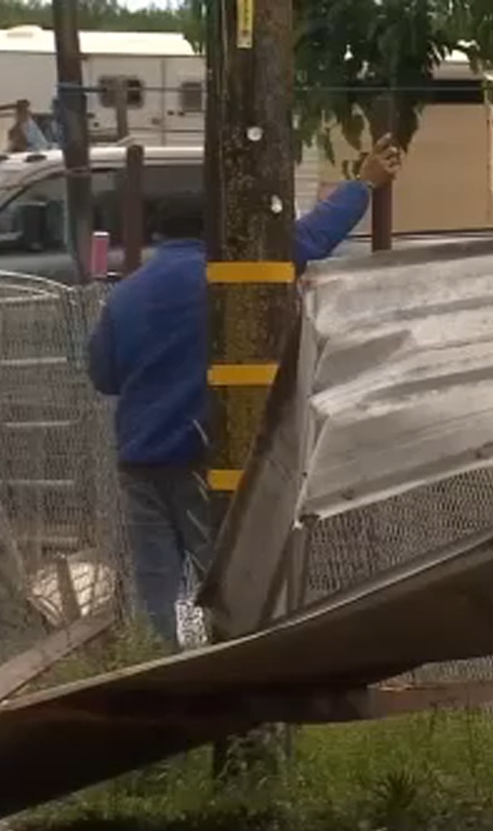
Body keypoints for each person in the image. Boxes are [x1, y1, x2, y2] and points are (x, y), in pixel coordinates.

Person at [86, 135, 403, 648]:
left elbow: (102, 375)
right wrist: (364, 183)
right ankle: (229, 661)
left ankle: (163, 662)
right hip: (200, 452)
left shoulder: (126, 294)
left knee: (157, 576)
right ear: (214, 231)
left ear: (160, 233)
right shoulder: (227, 277)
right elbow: (310, 240)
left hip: (139, 455)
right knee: (218, 568)